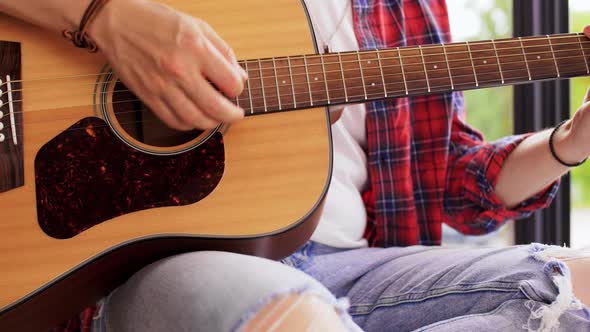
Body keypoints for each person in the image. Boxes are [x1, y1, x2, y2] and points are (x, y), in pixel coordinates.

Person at [2, 0, 590, 331]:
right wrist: (105, 15)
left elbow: (455, 178)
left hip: (360, 267)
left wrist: (570, 141)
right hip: (183, 262)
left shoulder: (405, 8)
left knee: (580, 285)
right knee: (298, 320)